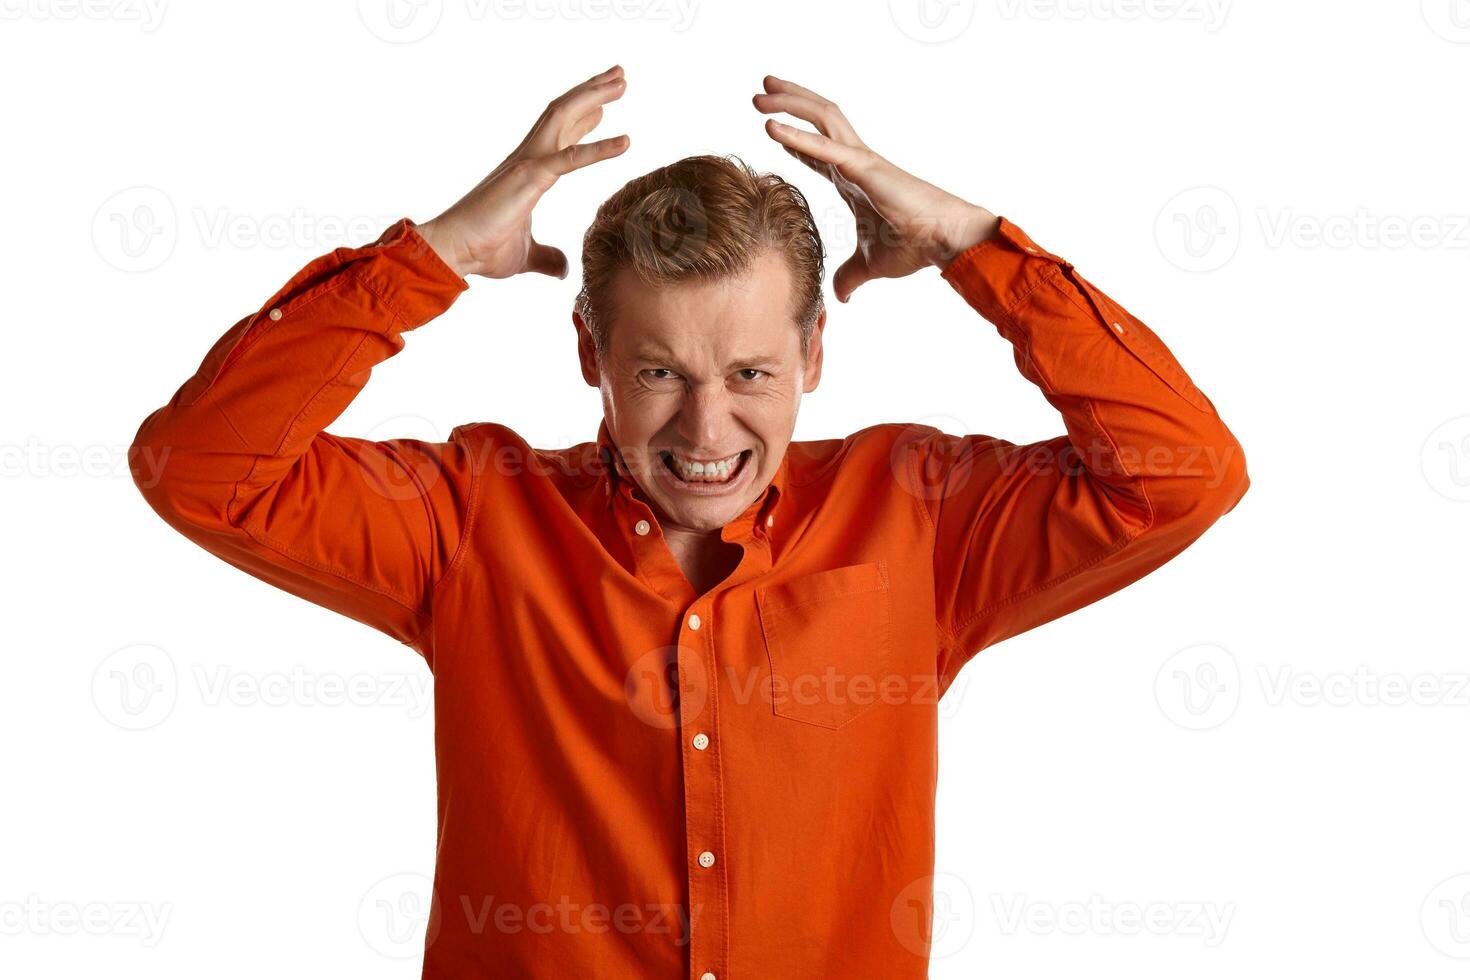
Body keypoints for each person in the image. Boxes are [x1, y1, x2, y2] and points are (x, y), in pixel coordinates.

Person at [129, 64, 1248, 979]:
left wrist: (973, 241)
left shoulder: (921, 514)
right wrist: (433, 259)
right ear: (590, 357)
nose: (706, 424)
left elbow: (1184, 472)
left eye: (753, 369)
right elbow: (198, 469)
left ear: (814, 353)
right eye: (659, 369)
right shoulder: (472, 518)